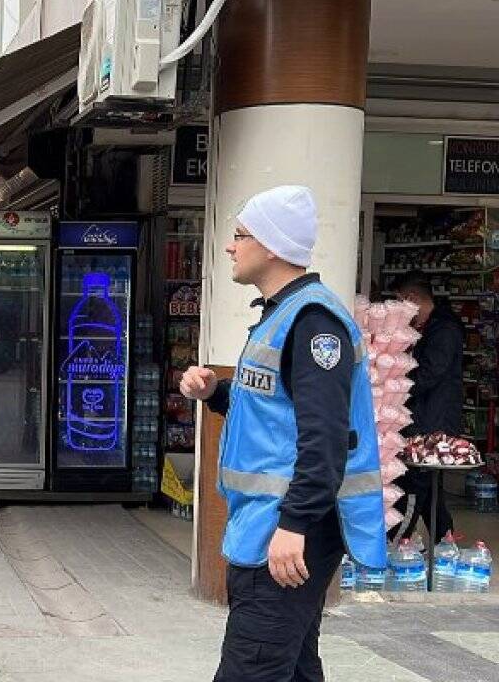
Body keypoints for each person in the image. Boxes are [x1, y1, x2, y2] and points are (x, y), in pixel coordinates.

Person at [178, 186, 385, 682]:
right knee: (291, 668)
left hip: (288, 532)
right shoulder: (282, 315)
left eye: (239, 235)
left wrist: (294, 526)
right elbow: (276, 413)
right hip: (270, 526)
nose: (230, 246)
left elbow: (326, 439)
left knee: (252, 669)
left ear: (271, 246)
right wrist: (215, 393)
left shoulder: (314, 325)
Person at [387, 270, 464, 543]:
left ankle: (394, 543)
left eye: (401, 302)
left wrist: (394, 387)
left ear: (412, 298)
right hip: (425, 421)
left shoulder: (443, 329)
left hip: (432, 425)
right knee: (431, 491)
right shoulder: (428, 326)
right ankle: (447, 544)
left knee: (414, 487)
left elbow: (430, 373)